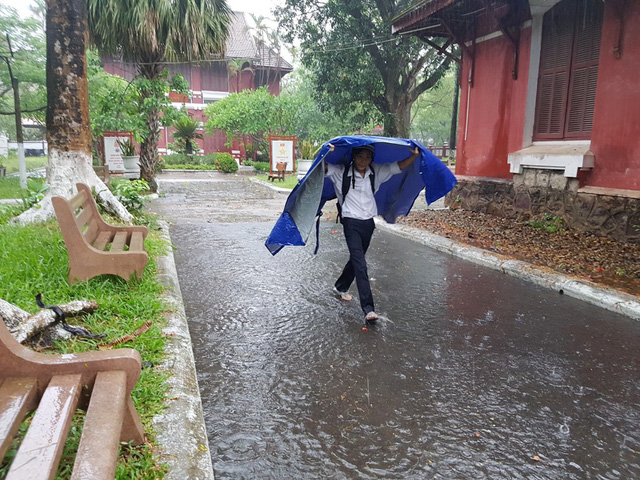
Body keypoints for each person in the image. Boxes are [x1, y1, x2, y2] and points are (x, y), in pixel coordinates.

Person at [325, 143, 419, 323]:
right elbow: (322, 167)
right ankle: (368, 309)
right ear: (354, 156)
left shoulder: (375, 172)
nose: (363, 161)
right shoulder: (341, 172)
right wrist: (325, 153)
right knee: (361, 264)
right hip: (350, 222)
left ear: (371, 159)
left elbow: (398, 166)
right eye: (360, 156)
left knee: (356, 259)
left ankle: (340, 286)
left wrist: (414, 156)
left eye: (367, 157)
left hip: (368, 223)